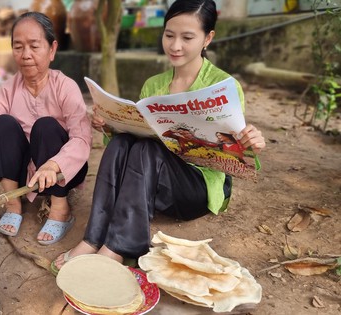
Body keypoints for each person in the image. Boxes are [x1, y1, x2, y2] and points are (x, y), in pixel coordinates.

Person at [51, 0, 265, 271]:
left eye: (187, 37)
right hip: (151, 185)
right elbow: (128, 142)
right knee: (123, 142)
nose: (175, 46)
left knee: (148, 150)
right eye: (169, 35)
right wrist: (109, 125)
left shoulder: (223, 86)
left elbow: (232, 153)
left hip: (196, 188)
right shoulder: (153, 85)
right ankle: (93, 239)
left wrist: (250, 144)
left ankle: (119, 248)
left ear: (207, 38)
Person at [0, 12, 92, 245]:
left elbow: (82, 139)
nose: (26, 55)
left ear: (52, 50)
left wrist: (54, 164)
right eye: (18, 47)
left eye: (34, 46)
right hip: (23, 175)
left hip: (61, 173)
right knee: (1, 124)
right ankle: (13, 203)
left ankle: (60, 208)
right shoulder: (7, 89)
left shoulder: (66, 87)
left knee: (46, 126)